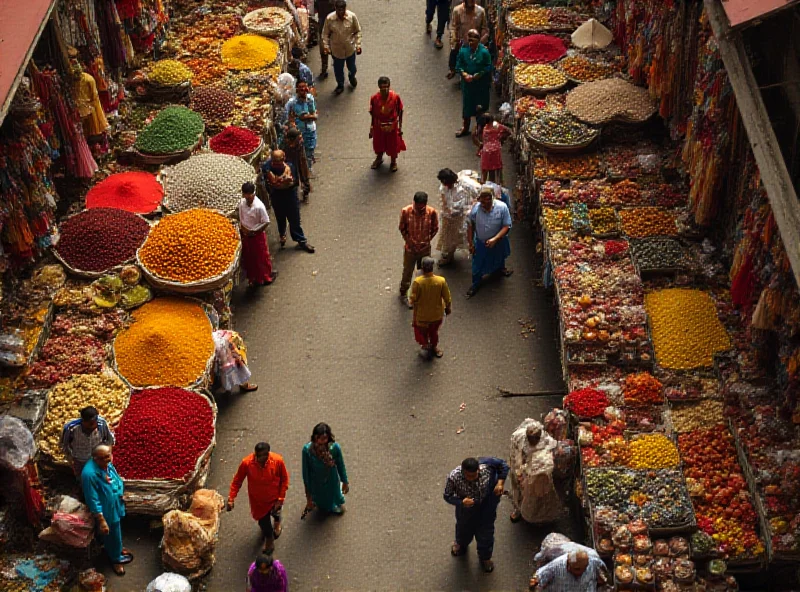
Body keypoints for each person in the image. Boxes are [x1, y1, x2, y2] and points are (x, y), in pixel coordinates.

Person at [444, 456, 509, 573]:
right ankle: (461, 545)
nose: (472, 479)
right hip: (466, 511)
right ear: (463, 471)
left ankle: (485, 557)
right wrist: (461, 502)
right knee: (463, 530)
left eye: (474, 475)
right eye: (468, 476)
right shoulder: (454, 477)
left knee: (486, 534)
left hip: (486, 508)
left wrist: (500, 483)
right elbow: (447, 496)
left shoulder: (487, 466)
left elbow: (503, 465)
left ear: (478, 469)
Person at [227, 442, 290, 554]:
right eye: (258, 456)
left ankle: (277, 522)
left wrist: (280, 499)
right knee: (263, 523)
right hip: (258, 502)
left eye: (263, 456)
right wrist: (231, 498)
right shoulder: (246, 463)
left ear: (268, 454)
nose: (260, 459)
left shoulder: (277, 461)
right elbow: (237, 481)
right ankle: (269, 539)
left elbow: (284, 479)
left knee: (276, 514)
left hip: (274, 498)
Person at [81, 445, 131, 576]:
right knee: (111, 531)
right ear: (95, 458)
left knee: (115, 530)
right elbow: (92, 498)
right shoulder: (89, 474)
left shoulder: (107, 464)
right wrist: (101, 519)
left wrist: (120, 491)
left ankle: (117, 548)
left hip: (115, 503)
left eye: (108, 456)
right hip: (106, 509)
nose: (107, 460)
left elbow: (114, 478)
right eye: (102, 458)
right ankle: (115, 559)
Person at [509, 419, 561, 524]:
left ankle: (542, 515)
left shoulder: (545, 439)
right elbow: (514, 457)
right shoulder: (518, 438)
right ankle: (518, 509)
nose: (534, 442)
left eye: (536, 439)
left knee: (541, 494)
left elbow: (551, 452)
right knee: (519, 490)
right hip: (523, 470)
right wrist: (519, 473)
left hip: (539, 473)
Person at [262, 149, 315, 252]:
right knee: (280, 217)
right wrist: (279, 181)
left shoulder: (289, 166)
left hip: (289, 195)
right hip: (276, 196)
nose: (278, 163)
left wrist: (280, 181)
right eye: (276, 161)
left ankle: (301, 240)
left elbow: (291, 182)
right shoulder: (268, 167)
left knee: (294, 218)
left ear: (284, 158)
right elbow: (271, 180)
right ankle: (282, 234)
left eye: (280, 160)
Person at [466, 186, 512, 298]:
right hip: (481, 242)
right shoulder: (475, 209)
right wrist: (470, 243)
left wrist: (495, 239)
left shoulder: (502, 208)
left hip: (498, 241)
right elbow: (470, 226)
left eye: (488, 200)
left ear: (493, 198)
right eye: (483, 200)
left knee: (499, 257)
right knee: (477, 265)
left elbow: (507, 226)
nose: (485, 203)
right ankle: (476, 284)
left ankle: (500, 270)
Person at [398, 191, 439, 306]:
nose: (419, 210)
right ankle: (403, 293)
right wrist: (411, 243)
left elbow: (435, 228)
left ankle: (421, 293)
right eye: (417, 207)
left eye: (422, 208)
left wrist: (426, 241)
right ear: (414, 203)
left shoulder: (431, 212)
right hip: (410, 249)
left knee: (425, 273)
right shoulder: (406, 211)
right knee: (407, 272)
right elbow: (402, 228)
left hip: (425, 249)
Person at [409, 257, 452, 359]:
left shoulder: (418, 282)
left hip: (422, 316)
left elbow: (412, 299)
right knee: (434, 332)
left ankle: (425, 345)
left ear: (423, 268)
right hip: (437, 315)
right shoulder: (441, 281)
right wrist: (448, 308)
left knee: (422, 332)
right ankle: (434, 347)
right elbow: (447, 298)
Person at [302, 423, 349, 514]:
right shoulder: (307, 450)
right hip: (316, 480)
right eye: (319, 438)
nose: (321, 441)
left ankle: (333, 505)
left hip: (331, 477)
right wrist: (308, 493)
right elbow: (305, 471)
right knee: (320, 496)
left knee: (333, 492)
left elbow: (340, 464)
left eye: (324, 439)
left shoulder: (334, 448)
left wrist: (345, 481)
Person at [435, 168, 478, 266]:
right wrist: (448, 211)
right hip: (448, 218)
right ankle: (449, 255)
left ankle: (475, 252)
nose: (446, 186)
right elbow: (443, 201)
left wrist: (470, 208)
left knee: (467, 235)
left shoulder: (466, 184)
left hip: (463, 216)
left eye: (448, 183)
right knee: (448, 238)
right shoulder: (443, 187)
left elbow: (477, 194)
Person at [239, 182, 277, 287]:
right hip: (246, 235)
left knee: (261, 258)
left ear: (253, 194)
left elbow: (266, 222)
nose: (247, 198)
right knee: (249, 258)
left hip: (257, 236)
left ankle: (266, 277)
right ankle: (253, 278)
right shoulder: (242, 203)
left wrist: (254, 232)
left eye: (249, 195)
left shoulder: (259, 206)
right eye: (245, 195)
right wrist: (243, 229)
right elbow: (241, 218)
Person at [455, 30, 492, 138]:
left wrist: (478, 75)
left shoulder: (484, 52)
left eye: (473, 40)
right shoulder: (463, 51)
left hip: (481, 86)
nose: (471, 42)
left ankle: (480, 129)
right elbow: (459, 65)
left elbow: (488, 66)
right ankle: (465, 128)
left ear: (478, 40)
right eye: (469, 40)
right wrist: (464, 74)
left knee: (480, 107)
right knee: (467, 106)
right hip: (468, 86)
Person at [61, 406, 115, 478]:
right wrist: (70, 459)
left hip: (98, 459)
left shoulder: (101, 424)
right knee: (83, 479)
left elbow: (109, 440)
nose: (94, 425)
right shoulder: (71, 428)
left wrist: (107, 455)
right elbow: (64, 445)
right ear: (83, 421)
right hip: (80, 460)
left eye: (95, 422)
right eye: (91, 423)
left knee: (100, 479)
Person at [322, 0, 362, 95]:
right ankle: (340, 84)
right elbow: (325, 34)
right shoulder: (329, 19)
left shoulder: (351, 17)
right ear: (335, 9)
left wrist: (358, 45)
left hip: (349, 49)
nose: (341, 12)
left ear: (345, 8)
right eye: (338, 10)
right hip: (336, 50)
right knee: (338, 69)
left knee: (352, 68)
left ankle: (352, 77)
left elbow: (358, 31)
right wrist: (326, 46)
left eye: (342, 10)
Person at [369, 76, 406, 172]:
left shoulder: (395, 97)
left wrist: (400, 127)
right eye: (382, 87)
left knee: (393, 144)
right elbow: (372, 114)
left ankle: (393, 162)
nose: (384, 89)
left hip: (391, 126)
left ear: (389, 87)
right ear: (379, 87)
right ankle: (379, 158)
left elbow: (400, 111)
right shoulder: (374, 98)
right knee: (378, 143)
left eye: (386, 87)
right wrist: (372, 127)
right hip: (379, 126)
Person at [530, 548, 607, 591]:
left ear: (586, 566)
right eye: (568, 565)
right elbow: (536, 581)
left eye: (577, 569)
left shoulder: (595, 563)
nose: (569, 568)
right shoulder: (555, 567)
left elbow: (604, 578)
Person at [448, 0, 489, 80]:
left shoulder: (481, 11)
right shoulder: (457, 11)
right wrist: (454, 40)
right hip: (462, 43)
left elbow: (484, 29)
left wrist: (480, 43)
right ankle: (453, 69)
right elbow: (453, 27)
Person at [286, 79, 318, 166]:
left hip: (311, 130)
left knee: (310, 149)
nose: (303, 89)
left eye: (304, 87)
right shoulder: (292, 103)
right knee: (299, 153)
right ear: (296, 89)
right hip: (299, 132)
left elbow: (315, 115)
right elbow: (289, 118)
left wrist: (306, 117)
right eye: (300, 87)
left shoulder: (310, 99)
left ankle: (308, 166)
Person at [281, 128, 312, 202]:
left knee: (304, 177)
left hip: (300, 162)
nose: (301, 139)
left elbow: (302, 156)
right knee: (293, 181)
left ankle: (306, 193)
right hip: (290, 165)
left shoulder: (299, 144)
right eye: (299, 138)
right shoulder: (285, 146)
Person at [479, 114, 511, 184]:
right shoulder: (496, 125)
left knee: (485, 169)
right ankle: (499, 183)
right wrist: (502, 138)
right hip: (496, 150)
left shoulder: (483, 128)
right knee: (498, 168)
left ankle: (483, 184)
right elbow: (508, 131)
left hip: (486, 151)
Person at [315, 0, 335, 77]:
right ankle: (325, 68)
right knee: (324, 49)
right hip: (326, 26)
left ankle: (326, 68)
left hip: (329, 27)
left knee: (326, 49)